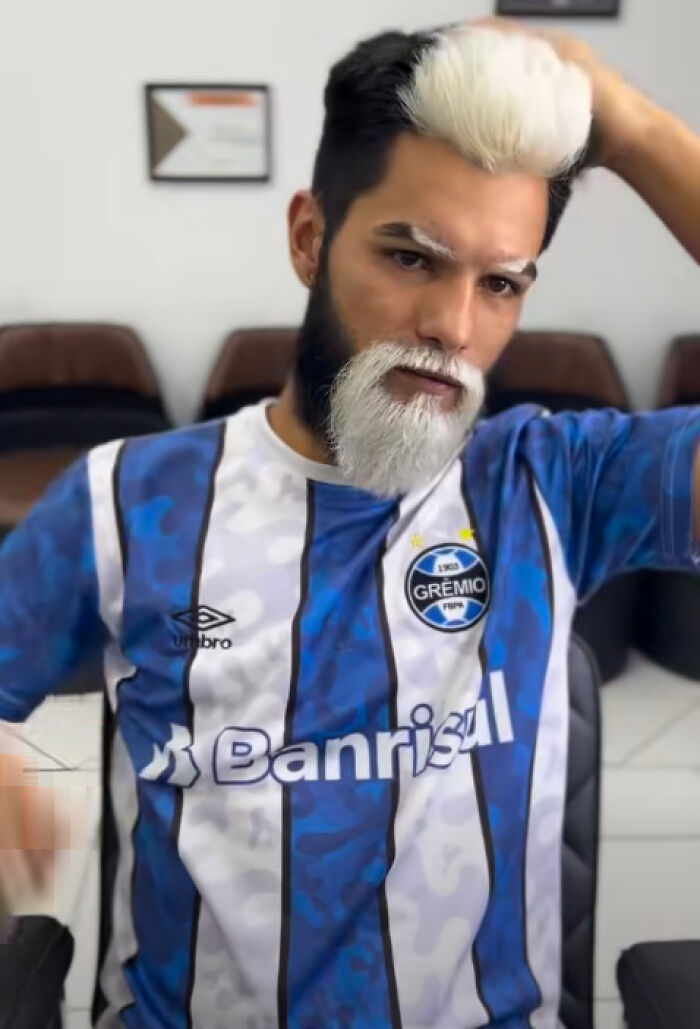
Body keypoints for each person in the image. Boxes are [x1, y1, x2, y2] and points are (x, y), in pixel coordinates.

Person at [0, 15, 698, 1029]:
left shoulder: (555, 485)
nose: (453, 327)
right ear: (309, 238)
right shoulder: (126, 502)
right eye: (411, 258)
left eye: (500, 283)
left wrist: (631, 128)